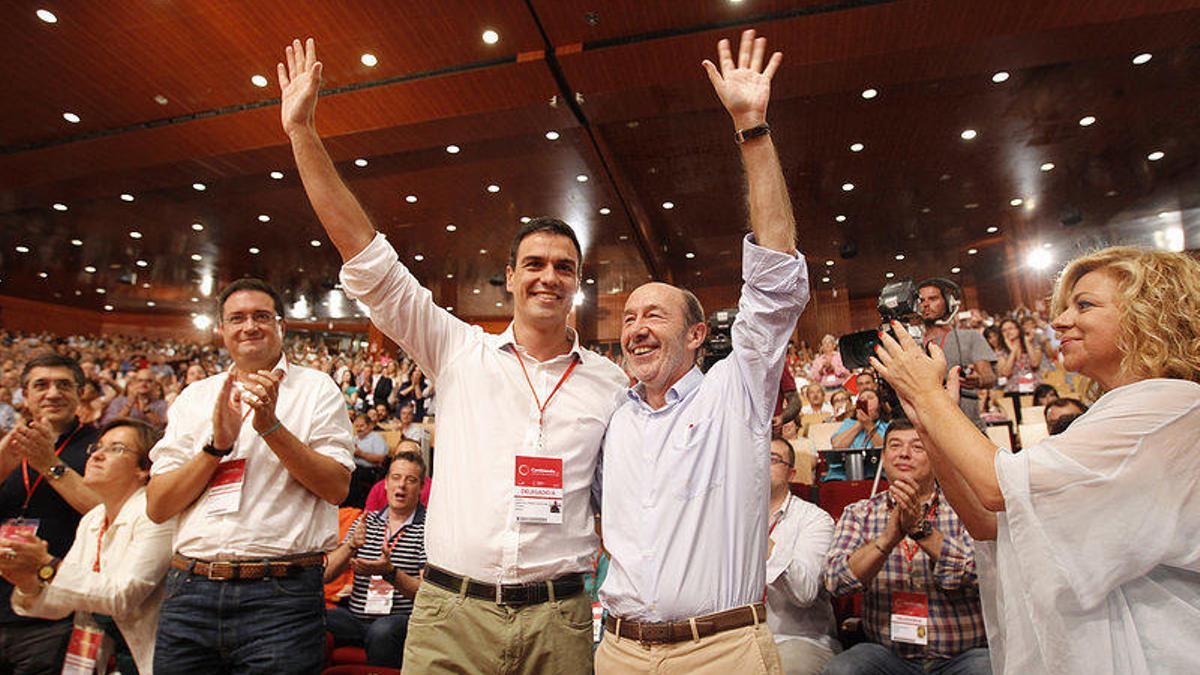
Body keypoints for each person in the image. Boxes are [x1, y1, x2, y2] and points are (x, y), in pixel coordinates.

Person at [279, 38, 628, 673]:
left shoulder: (610, 382)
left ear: (577, 282)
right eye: (534, 264)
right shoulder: (457, 348)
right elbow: (370, 260)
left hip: (560, 618)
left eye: (563, 267)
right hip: (452, 613)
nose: (548, 277)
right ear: (510, 277)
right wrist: (302, 132)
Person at [870, 246, 1200, 673]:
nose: (1059, 321)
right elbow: (989, 524)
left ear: (1148, 315)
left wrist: (928, 395)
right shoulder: (1116, 412)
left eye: (1084, 305)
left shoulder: (1170, 406)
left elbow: (997, 487)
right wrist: (926, 421)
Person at [596, 30, 807, 673]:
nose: (636, 328)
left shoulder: (735, 393)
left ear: (696, 336)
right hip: (620, 652)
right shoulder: (612, 415)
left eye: (654, 315)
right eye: (629, 318)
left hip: (720, 651)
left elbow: (775, 278)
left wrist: (752, 129)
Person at [145, 278, 356, 674]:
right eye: (237, 318)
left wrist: (270, 426)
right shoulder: (196, 396)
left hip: (281, 596)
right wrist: (216, 448)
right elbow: (158, 506)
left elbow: (336, 487)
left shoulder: (316, 389)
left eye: (261, 316)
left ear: (281, 326)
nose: (249, 326)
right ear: (222, 330)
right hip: (190, 589)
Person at [2, 418, 174, 675]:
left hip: (150, 656)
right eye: (97, 447)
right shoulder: (93, 519)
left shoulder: (155, 516)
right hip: (97, 654)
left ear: (144, 469)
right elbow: (61, 606)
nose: (97, 456)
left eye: (116, 449)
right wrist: (26, 579)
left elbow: (122, 597)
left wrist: (46, 564)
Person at [822, 420, 990, 674]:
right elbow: (835, 581)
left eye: (917, 447)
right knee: (844, 669)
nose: (904, 453)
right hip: (887, 656)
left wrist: (921, 532)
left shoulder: (966, 509)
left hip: (962, 656)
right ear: (884, 457)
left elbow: (982, 575)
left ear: (936, 458)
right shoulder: (859, 513)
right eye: (895, 446)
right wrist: (886, 540)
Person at [0, 354, 101, 674]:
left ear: (80, 393)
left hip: (57, 611)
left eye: (64, 385)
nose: (53, 393)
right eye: (41, 385)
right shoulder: (8, 445)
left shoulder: (101, 447)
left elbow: (108, 514)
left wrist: (49, 464)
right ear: (25, 395)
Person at [325, 451, 427, 668]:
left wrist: (390, 573)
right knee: (312, 616)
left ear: (421, 487)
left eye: (410, 480)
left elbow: (426, 594)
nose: (401, 486)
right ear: (386, 484)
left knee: (383, 631)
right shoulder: (366, 520)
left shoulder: (428, 529)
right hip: (356, 617)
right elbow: (326, 574)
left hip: (400, 619)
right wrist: (351, 545)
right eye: (396, 478)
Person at [764, 439, 839, 674]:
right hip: (737, 640)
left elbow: (804, 593)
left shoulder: (814, 519)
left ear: (792, 474)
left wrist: (758, 535)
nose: (761, 463)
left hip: (797, 639)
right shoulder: (728, 519)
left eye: (773, 459)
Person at [916, 279, 995, 425]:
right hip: (927, 423)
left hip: (967, 423)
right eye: (921, 300)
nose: (926, 304)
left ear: (948, 302)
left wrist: (978, 380)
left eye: (933, 299)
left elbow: (989, 378)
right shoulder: (912, 344)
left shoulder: (970, 337)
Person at [827, 389, 887, 481]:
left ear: (879, 404)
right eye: (861, 399)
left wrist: (868, 425)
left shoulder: (886, 425)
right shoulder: (848, 423)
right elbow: (837, 445)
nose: (865, 401)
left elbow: (884, 450)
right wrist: (860, 424)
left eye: (870, 398)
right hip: (844, 474)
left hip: (875, 474)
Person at [100, 368, 167, 430]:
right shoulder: (119, 401)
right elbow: (110, 424)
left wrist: (146, 409)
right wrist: (129, 405)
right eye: (140, 380)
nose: (144, 384)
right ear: (134, 383)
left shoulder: (161, 404)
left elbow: (161, 427)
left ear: (154, 385)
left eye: (149, 381)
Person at [348, 413, 388, 508]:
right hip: (354, 468)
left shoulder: (376, 438)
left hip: (371, 471)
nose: (359, 429)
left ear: (370, 426)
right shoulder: (354, 439)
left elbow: (381, 459)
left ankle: (354, 507)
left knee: (353, 475)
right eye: (357, 426)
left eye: (362, 426)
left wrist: (361, 454)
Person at [995, 318, 1041, 393]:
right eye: (1004, 330)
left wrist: (1026, 341)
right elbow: (1006, 372)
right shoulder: (1001, 353)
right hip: (1013, 390)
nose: (1008, 332)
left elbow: (1035, 363)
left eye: (1010, 328)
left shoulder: (1034, 346)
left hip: (1034, 387)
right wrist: (1013, 351)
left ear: (1018, 330)